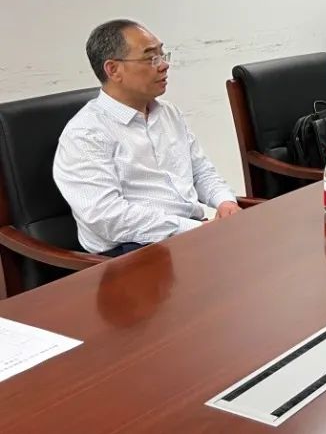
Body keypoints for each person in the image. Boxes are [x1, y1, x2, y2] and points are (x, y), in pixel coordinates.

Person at [54, 20, 240, 257]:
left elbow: (201, 172)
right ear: (113, 70)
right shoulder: (86, 134)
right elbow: (108, 218)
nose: (164, 65)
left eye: (163, 55)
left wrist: (225, 202)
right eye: (151, 58)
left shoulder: (168, 113)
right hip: (132, 252)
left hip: (189, 235)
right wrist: (195, 229)